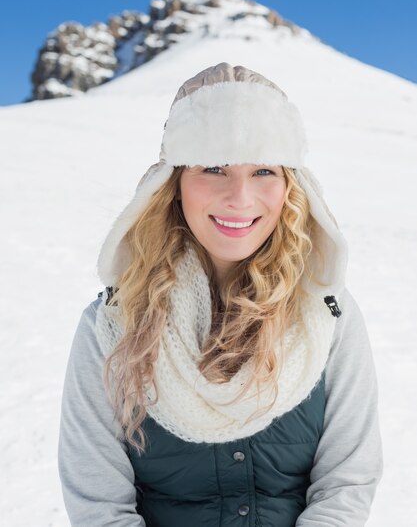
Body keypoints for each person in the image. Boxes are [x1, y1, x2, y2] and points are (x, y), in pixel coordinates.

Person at [58, 62, 383, 527]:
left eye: (264, 171)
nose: (240, 198)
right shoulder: (112, 323)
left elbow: (347, 481)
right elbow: (98, 506)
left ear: (290, 186)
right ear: (173, 185)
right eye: (213, 168)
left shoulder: (327, 313)